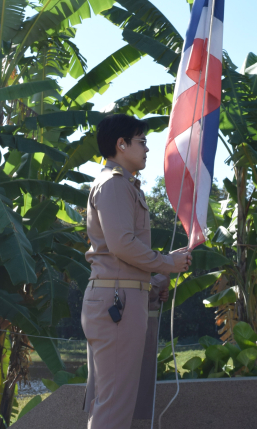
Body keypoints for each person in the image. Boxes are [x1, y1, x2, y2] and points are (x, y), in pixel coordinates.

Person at [81, 114, 191, 429]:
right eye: (141, 141)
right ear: (121, 144)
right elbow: (122, 245)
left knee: (111, 400)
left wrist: (152, 281)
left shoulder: (121, 185)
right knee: (115, 404)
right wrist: (167, 263)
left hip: (119, 297)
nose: (146, 149)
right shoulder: (115, 185)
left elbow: (118, 252)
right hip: (117, 302)